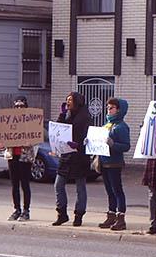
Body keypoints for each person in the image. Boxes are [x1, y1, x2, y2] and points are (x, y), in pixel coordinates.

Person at [52, 92, 91, 227]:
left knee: (80, 187)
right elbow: (58, 129)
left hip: (79, 157)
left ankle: (79, 214)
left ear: (77, 102)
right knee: (58, 184)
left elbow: (85, 136)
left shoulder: (84, 116)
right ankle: (61, 213)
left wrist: (78, 145)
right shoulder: (68, 116)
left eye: (70, 100)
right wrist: (62, 114)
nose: (67, 102)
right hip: (66, 156)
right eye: (66, 99)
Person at [97, 98, 131, 231]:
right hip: (104, 162)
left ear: (119, 110)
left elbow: (126, 146)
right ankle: (111, 215)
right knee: (109, 191)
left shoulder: (121, 126)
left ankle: (121, 218)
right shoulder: (107, 124)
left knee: (117, 190)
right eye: (108, 108)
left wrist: (113, 144)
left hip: (114, 163)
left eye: (112, 108)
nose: (109, 110)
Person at [4, 96, 37, 222]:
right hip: (12, 155)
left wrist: (31, 142)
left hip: (25, 156)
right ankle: (16, 209)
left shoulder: (31, 121)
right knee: (14, 184)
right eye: (16, 106)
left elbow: (37, 137)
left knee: (25, 184)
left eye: (21, 106)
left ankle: (26, 210)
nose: (19, 108)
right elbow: (3, 136)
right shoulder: (9, 121)